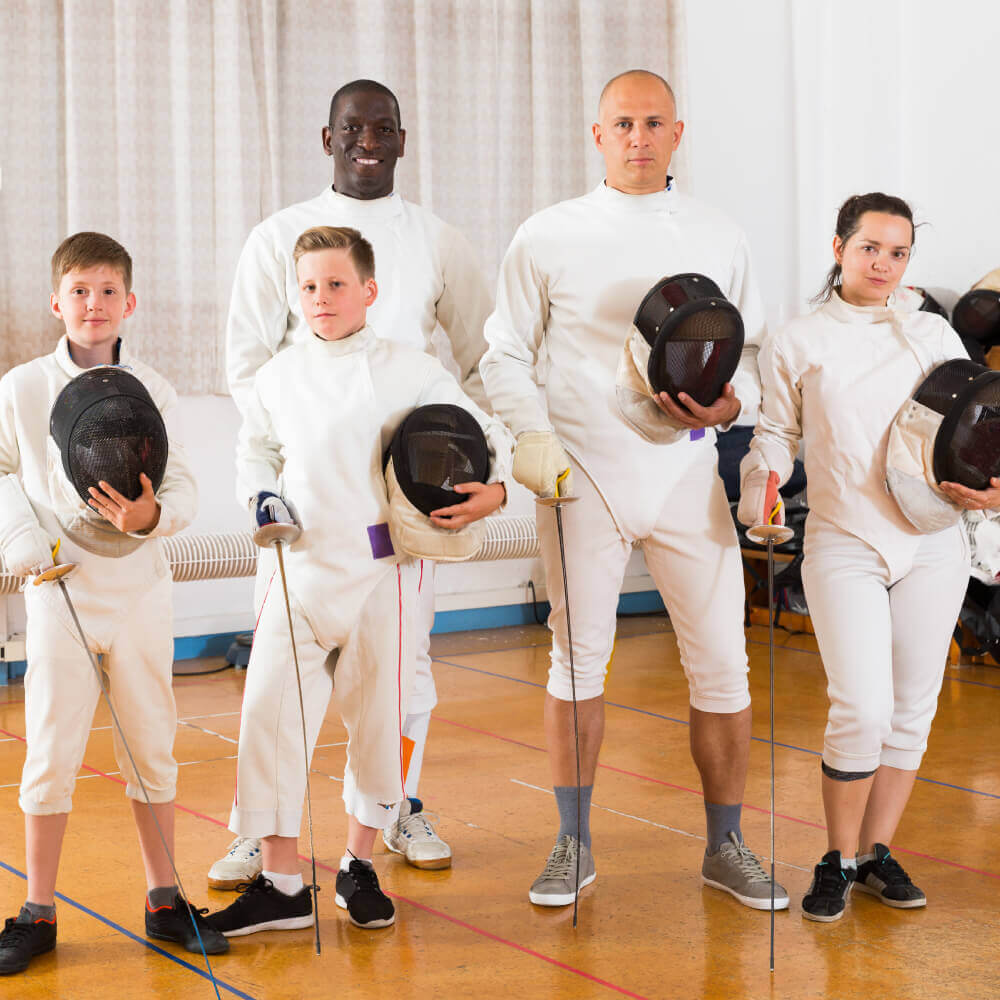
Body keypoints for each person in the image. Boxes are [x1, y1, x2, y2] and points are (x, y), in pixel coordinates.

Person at [481, 70, 787, 910]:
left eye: (654, 123)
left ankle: (726, 847)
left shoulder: (718, 233)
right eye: (623, 123)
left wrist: (735, 407)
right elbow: (502, 353)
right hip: (584, 477)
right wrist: (533, 439)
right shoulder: (547, 236)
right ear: (597, 135)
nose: (639, 138)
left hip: (688, 472)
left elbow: (754, 357)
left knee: (724, 668)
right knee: (575, 665)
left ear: (678, 133)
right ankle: (571, 844)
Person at [210, 79, 493, 888]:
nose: (365, 140)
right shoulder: (276, 237)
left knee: (403, 676)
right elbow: (247, 370)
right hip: (303, 516)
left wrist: (476, 474)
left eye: (381, 129)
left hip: (403, 510)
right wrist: (301, 452)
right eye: (349, 128)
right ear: (325, 137)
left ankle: (396, 806)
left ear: (403, 140)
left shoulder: (437, 239)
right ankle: (259, 834)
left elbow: (477, 361)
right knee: (275, 682)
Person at [738, 192, 996, 921]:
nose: (883, 263)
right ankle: (837, 855)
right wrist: (759, 487)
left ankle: (875, 854)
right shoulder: (799, 340)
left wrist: (991, 492)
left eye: (899, 251)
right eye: (869, 248)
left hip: (933, 539)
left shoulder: (935, 338)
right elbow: (773, 437)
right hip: (845, 538)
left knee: (912, 708)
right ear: (839, 248)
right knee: (863, 705)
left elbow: (977, 433)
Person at [0, 232, 226, 975]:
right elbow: (3, 473)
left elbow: (183, 483)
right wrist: (28, 543)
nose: (92, 306)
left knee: (151, 743)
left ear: (128, 303)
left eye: (106, 292)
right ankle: (37, 911)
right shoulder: (23, 386)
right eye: (78, 292)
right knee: (51, 751)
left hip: (138, 587)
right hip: (60, 588)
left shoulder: (152, 388)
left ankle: (164, 899)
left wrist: (151, 519)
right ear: (56, 302)